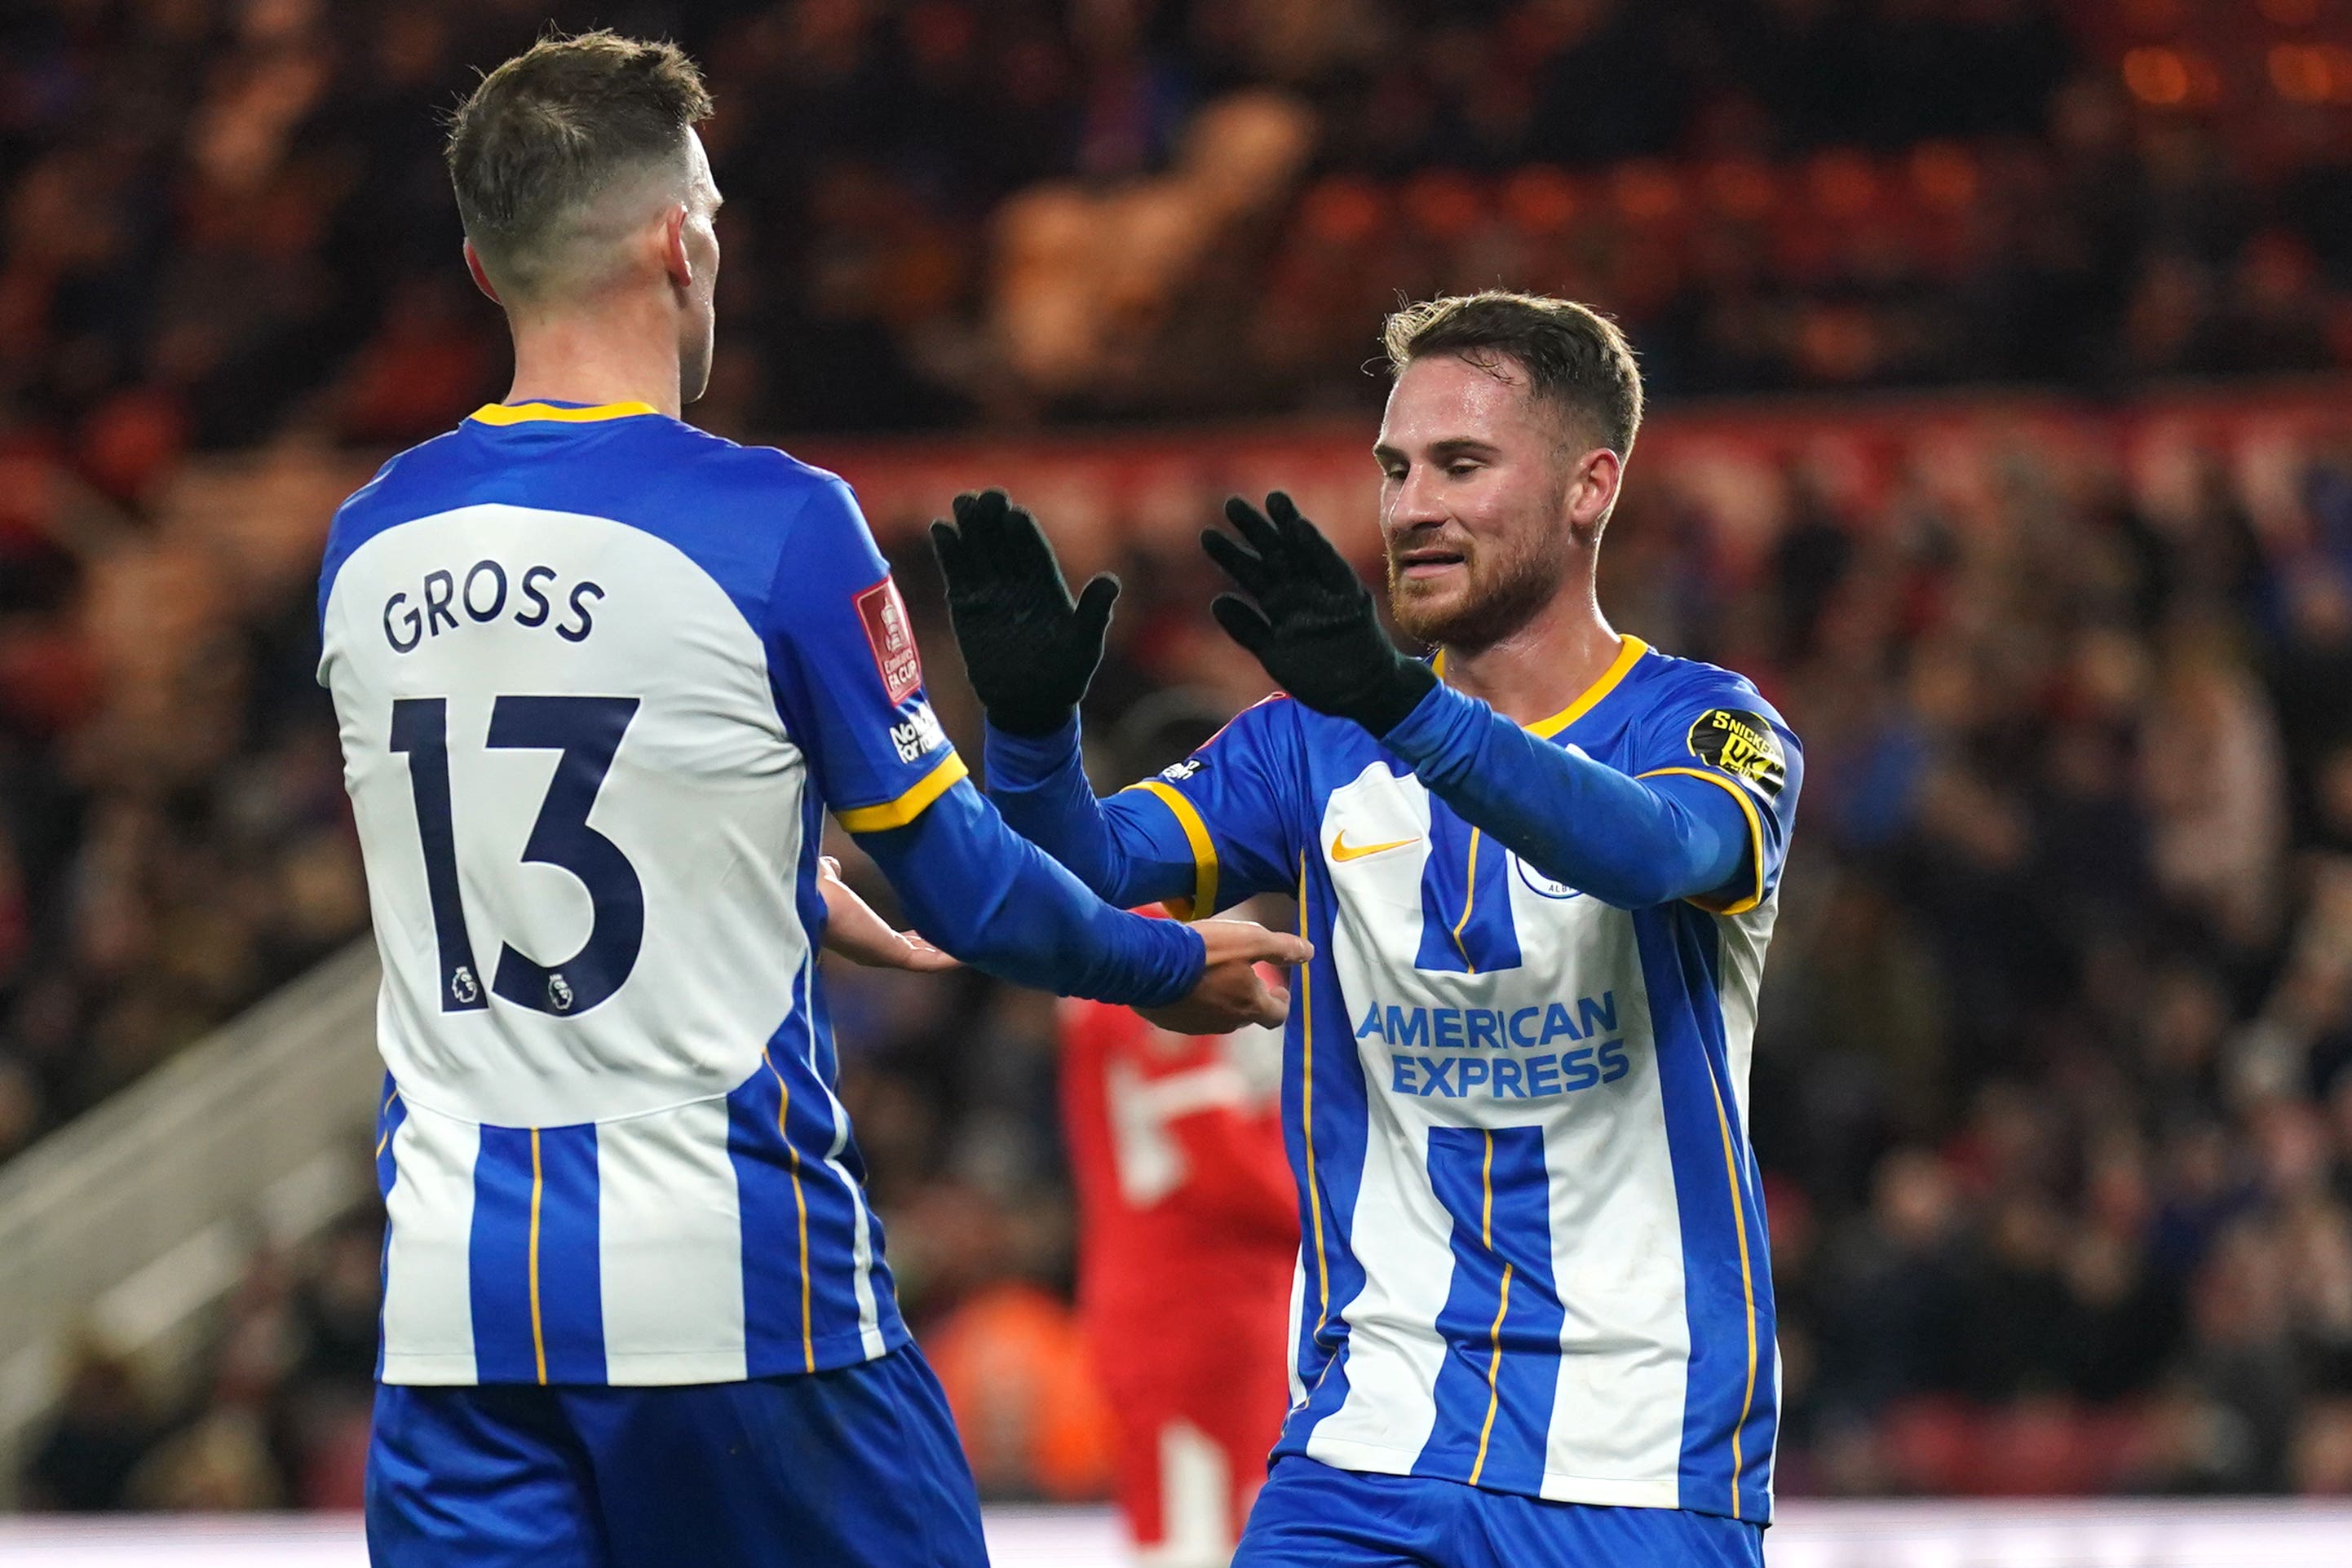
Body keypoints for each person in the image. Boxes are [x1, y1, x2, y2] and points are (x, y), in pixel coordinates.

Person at [316, 33, 1305, 1568]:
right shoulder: (774, 523)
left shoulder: (365, 539)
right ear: (683, 239)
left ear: (479, 261)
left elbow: (512, 818)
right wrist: (1169, 963)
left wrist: (758, 870)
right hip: (733, 1296)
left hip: (454, 1317)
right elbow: (967, 886)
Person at [932, 290, 1802, 1568]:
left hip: (1640, 1453)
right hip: (1365, 1449)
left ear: (1588, 487)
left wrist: (1405, 708)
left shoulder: (1708, 727)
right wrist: (1028, 735)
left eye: (1460, 464)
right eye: (1395, 467)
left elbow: (1651, 850)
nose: (1410, 507)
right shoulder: (1312, 748)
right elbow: (1080, 875)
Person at [1060, 919, 1298, 1567]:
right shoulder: (1189, 952)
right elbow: (1212, 1152)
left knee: (1189, 1519)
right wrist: (1334, 1217)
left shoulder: (1097, 945)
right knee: (1204, 1527)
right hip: (1204, 1297)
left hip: (1152, 1286)